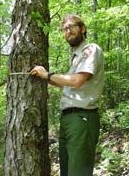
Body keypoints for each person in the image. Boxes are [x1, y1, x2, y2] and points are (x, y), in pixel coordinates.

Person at [30, 14, 104, 176]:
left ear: (82, 29)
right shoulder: (76, 57)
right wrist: (47, 79)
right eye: (64, 29)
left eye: (71, 27)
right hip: (68, 120)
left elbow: (77, 81)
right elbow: (68, 83)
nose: (67, 32)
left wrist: (47, 75)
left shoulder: (90, 50)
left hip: (82, 119)